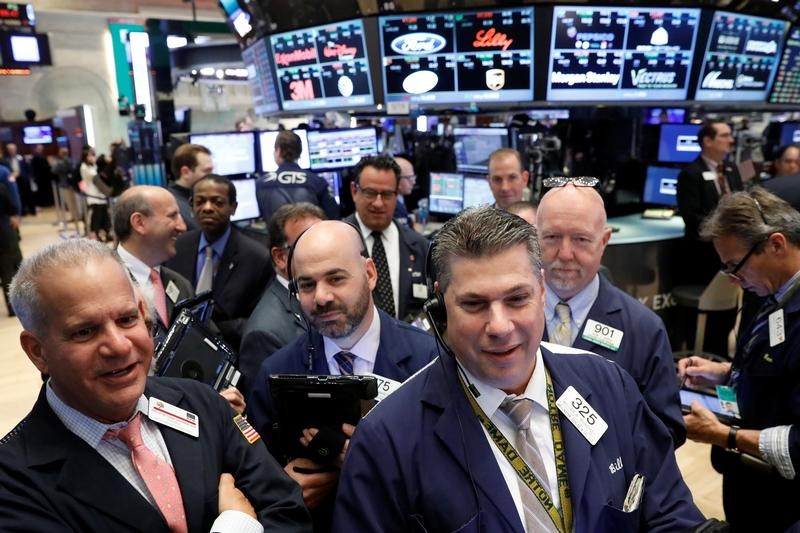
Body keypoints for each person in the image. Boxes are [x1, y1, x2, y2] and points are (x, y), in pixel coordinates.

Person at [333, 206, 704, 532]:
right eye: (474, 304)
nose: (500, 326)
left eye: (517, 298)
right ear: (441, 308)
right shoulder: (386, 440)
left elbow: (670, 514)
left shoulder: (610, 386)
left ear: (542, 291)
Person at [0, 239, 312, 531]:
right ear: (37, 352)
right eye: (85, 332)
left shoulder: (201, 403)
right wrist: (236, 525)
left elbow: (287, 510)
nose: (120, 346)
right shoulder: (13, 484)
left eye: (126, 320)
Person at [247, 220, 438, 532]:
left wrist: (358, 463)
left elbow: (448, 473)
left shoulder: (427, 360)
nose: (321, 297)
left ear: (370, 274)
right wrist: (283, 488)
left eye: (335, 279)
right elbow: (255, 475)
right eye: (307, 285)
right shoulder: (277, 371)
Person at [677, 187, 800, 532]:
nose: (733, 279)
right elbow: (779, 365)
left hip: (782, 501)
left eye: (736, 265)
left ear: (776, 244)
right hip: (749, 481)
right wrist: (723, 373)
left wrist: (724, 436)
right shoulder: (777, 292)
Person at [536, 180, 685, 446]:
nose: (565, 253)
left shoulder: (643, 329)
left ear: (604, 241)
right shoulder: (508, 318)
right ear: (535, 237)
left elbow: (667, 430)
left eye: (581, 239)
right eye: (552, 237)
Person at [165, 174, 272, 348]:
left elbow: (258, 321)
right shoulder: (177, 248)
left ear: (233, 207)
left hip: (232, 349)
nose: (207, 208)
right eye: (200, 201)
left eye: (218, 202)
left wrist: (205, 330)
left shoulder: (256, 257)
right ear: (191, 205)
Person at [239, 202, 325, 397]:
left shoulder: (325, 298)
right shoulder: (264, 333)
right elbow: (269, 417)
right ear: (280, 257)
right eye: (308, 244)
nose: (323, 251)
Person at [345, 155, 429, 321]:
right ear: (354, 191)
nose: (378, 203)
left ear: (396, 194)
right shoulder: (335, 243)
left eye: (387, 194)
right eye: (370, 193)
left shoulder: (420, 247)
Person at [677, 119, 744, 285]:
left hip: (736, 248)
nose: (731, 140)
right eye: (725, 135)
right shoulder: (690, 173)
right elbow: (692, 217)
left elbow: (742, 200)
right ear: (707, 141)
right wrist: (723, 231)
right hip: (704, 251)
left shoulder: (732, 168)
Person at [255, 130, 339, 224]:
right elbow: (334, 217)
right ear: (300, 152)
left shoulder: (261, 183)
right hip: (310, 237)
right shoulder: (317, 182)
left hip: (276, 238)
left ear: (278, 150)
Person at [168, 143, 214, 231]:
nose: (212, 177)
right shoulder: (175, 207)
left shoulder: (196, 198)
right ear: (185, 172)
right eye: (207, 171)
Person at [80, 145, 111, 242]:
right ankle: (96, 235)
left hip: (101, 196)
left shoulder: (94, 166)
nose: (91, 158)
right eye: (89, 156)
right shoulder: (84, 167)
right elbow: (94, 176)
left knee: (105, 216)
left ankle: (106, 233)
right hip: (92, 195)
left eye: (92, 156)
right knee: (96, 217)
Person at [764, 144, 800, 211]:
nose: (792, 166)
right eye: (788, 161)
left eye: (797, 162)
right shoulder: (764, 188)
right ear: (777, 163)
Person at [392, 156, 415, 228]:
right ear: (396, 180)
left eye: (413, 177)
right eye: (410, 178)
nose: (414, 182)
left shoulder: (399, 197)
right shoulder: (396, 208)